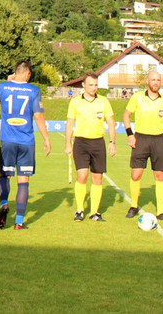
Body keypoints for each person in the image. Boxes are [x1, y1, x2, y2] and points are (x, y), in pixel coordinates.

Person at [0, 60, 51, 230]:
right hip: (26, 142)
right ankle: (19, 222)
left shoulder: (3, 86)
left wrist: (9, 81)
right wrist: (46, 138)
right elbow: (38, 116)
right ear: (28, 74)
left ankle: (4, 203)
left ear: (15, 72)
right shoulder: (33, 90)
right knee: (23, 181)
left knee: (4, 175)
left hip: (7, 140)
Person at [122, 70, 163, 222]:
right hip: (141, 138)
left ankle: (160, 211)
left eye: (158, 80)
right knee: (136, 174)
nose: (155, 83)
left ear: (161, 82)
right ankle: (133, 206)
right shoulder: (137, 97)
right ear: (148, 81)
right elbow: (126, 115)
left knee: (160, 175)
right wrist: (130, 134)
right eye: (153, 80)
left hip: (159, 139)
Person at [64, 73, 116, 221]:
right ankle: (80, 210)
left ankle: (94, 212)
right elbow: (69, 123)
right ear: (83, 85)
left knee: (97, 178)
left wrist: (112, 142)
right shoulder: (75, 102)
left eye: (95, 85)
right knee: (82, 175)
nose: (94, 88)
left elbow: (111, 122)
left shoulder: (104, 101)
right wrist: (68, 143)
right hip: (81, 142)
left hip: (98, 143)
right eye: (91, 85)